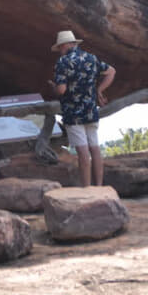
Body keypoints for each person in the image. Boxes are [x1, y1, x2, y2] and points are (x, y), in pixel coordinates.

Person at [50, 29, 116, 187]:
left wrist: (53, 87)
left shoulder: (63, 62)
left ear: (64, 45)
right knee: (95, 148)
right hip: (91, 110)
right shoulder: (91, 58)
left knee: (82, 151)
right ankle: (99, 186)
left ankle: (86, 188)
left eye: (60, 47)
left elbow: (61, 90)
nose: (60, 51)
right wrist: (99, 90)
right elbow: (111, 71)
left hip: (73, 113)